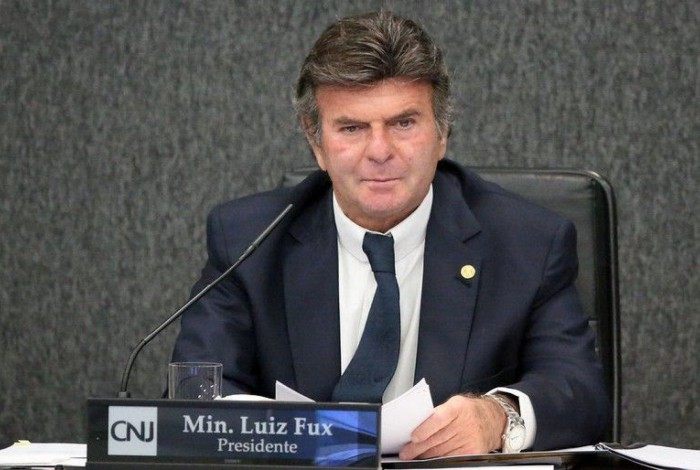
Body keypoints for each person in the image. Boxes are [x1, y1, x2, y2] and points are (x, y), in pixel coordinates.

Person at [172, 10, 610, 458]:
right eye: (352, 128)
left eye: (403, 123)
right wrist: (268, 434)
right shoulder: (249, 240)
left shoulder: (527, 242)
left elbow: (580, 391)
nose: (380, 151)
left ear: (441, 134)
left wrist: (498, 417)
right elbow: (197, 389)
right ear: (316, 142)